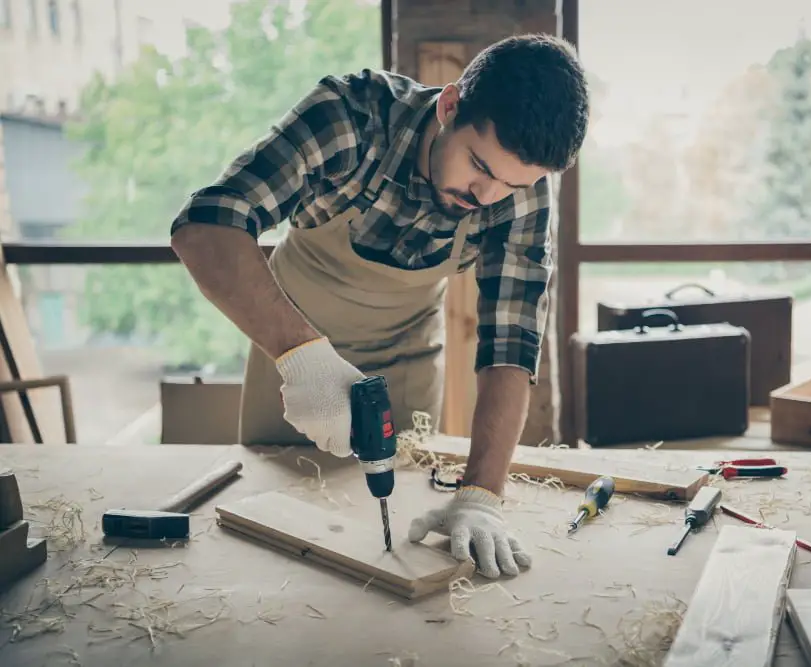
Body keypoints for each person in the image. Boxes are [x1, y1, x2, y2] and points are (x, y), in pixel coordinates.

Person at [169, 33, 589, 579]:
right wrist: (305, 361)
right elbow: (205, 227)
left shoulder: (519, 191)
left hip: (408, 358)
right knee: (274, 543)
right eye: (479, 168)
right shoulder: (350, 118)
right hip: (290, 353)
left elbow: (512, 341)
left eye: (511, 185)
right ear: (450, 106)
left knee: (395, 545)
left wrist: (481, 496)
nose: (488, 196)